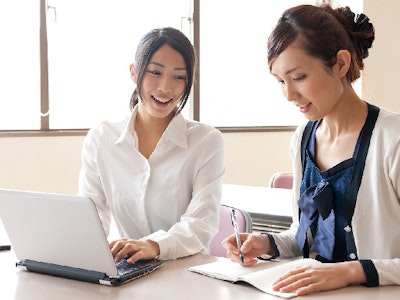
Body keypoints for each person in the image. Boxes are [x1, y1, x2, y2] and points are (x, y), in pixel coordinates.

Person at [223, 3, 400, 296]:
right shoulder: (304, 136)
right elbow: (305, 235)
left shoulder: (392, 139)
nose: (289, 95)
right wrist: (267, 243)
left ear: (340, 64)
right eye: (281, 81)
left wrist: (349, 272)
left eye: (299, 77)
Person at [78, 27, 225, 264]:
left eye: (179, 77)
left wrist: (155, 246)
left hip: (186, 274)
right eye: (155, 72)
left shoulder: (207, 142)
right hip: (129, 271)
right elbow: (90, 215)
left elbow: (201, 224)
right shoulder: (102, 139)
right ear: (134, 73)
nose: (165, 88)